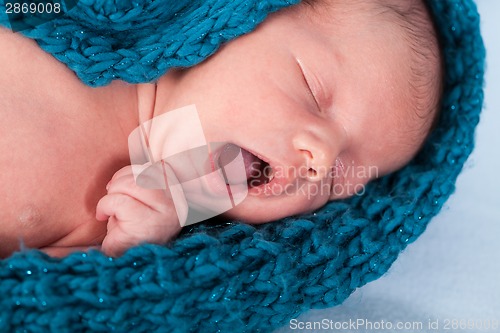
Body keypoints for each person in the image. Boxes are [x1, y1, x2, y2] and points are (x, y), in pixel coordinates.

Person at [0, 0, 442, 258]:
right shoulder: (71, 28)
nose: (319, 160)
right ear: (237, 19)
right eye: (312, 89)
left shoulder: (122, 219)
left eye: (335, 185)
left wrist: (130, 245)